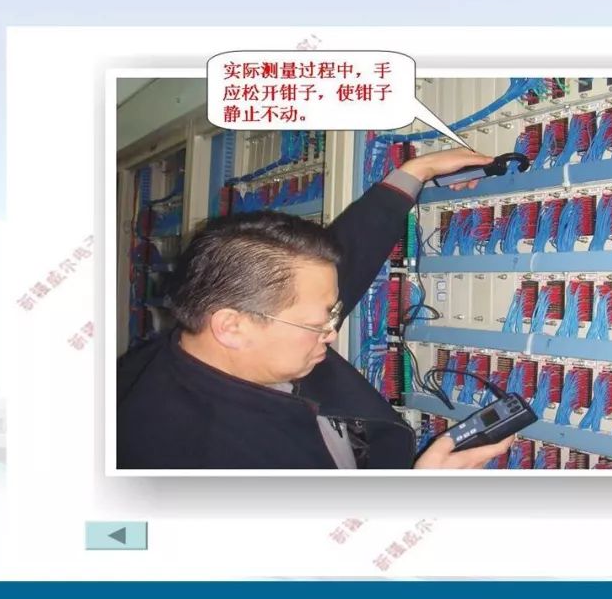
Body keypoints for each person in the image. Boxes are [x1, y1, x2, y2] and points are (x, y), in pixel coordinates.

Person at [117, 148, 514, 469]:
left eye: (331, 314)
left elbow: (332, 269)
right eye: (318, 323)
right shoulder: (200, 457)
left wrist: (415, 172)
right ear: (232, 327)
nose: (332, 333)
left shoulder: (205, 340)